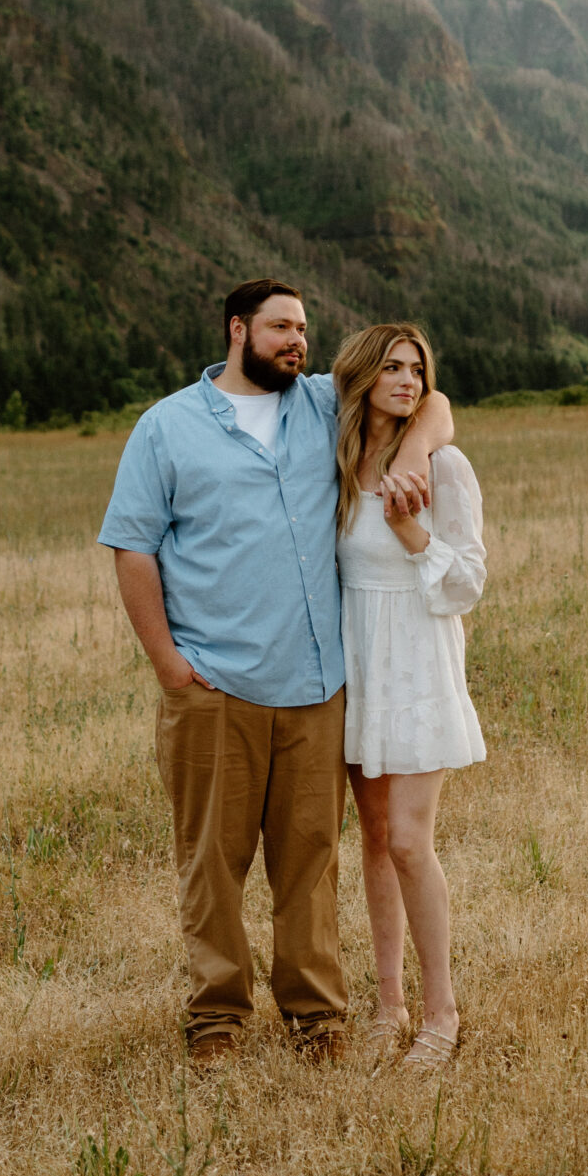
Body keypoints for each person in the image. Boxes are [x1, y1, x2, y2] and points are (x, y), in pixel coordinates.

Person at [100, 279, 454, 1067]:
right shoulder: (167, 427)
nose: (298, 341)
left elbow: (427, 399)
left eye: (303, 328)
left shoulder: (322, 401)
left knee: (310, 866)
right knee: (212, 865)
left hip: (316, 687)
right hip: (213, 687)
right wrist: (169, 666)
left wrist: (420, 445)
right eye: (281, 328)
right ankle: (217, 1021)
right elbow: (131, 548)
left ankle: (315, 1018)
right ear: (237, 330)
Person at [333, 323, 486, 1077]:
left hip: (419, 663)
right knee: (369, 839)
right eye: (390, 367)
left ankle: (440, 1012)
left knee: (406, 842)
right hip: (359, 665)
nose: (406, 381)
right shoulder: (336, 463)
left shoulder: (443, 466)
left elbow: (467, 583)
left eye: (417, 370)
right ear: (361, 376)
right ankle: (387, 1005)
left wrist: (407, 531)